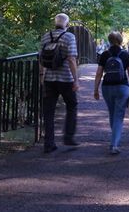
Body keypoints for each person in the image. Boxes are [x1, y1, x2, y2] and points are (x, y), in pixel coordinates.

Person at [39, 13, 80, 153]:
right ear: (67, 25)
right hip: (66, 79)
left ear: (55, 23)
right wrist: (76, 80)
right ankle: (68, 136)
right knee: (72, 105)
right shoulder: (69, 37)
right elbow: (71, 59)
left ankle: (48, 143)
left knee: (48, 111)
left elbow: (41, 59)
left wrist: (41, 76)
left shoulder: (45, 36)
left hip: (49, 79)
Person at [93, 30, 129, 155]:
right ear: (120, 41)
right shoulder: (124, 54)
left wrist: (95, 89)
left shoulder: (104, 54)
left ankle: (114, 139)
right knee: (118, 116)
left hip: (107, 87)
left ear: (109, 40)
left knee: (112, 114)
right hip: (122, 88)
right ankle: (114, 144)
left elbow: (98, 73)